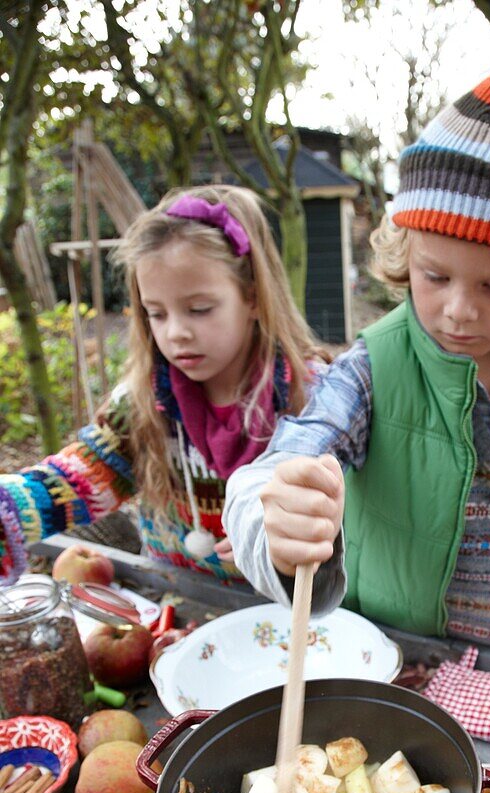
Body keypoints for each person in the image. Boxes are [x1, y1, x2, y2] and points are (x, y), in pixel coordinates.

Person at [224, 65, 490, 714]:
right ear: (404, 253)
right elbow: (282, 463)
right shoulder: (371, 371)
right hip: (400, 677)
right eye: (434, 275)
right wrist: (268, 517)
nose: (457, 312)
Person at [0, 184, 325, 585]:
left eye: (199, 309)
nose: (176, 333)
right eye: (156, 313)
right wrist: (7, 511)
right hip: (176, 608)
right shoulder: (143, 402)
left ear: (254, 298)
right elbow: (77, 479)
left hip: (284, 620)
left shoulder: (312, 400)